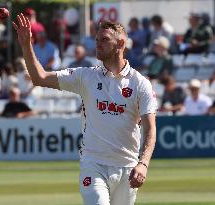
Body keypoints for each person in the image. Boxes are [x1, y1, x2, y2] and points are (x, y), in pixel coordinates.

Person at [13, 14, 157, 205]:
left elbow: (150, 129)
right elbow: (39, 77)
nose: (98, 44)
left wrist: (143, 163)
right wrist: (26, 45)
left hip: (128, 167)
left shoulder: (140, 84)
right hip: (93, 164)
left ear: (121, 43)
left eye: (104, 40)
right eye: (97, 40)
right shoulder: (85, 76)